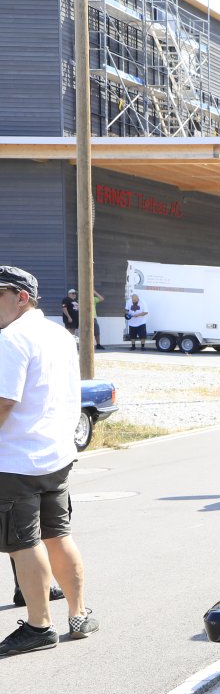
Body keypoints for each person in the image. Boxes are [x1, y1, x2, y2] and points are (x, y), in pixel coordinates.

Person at [0, 265, 96, 657]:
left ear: (21, 297)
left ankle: (39, 626)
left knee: (23, 542)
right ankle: (79, 615)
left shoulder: (12, 338)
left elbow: (4, 401)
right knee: (58, 535)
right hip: (56, 456)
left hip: (17, 460)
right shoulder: (59, 334)